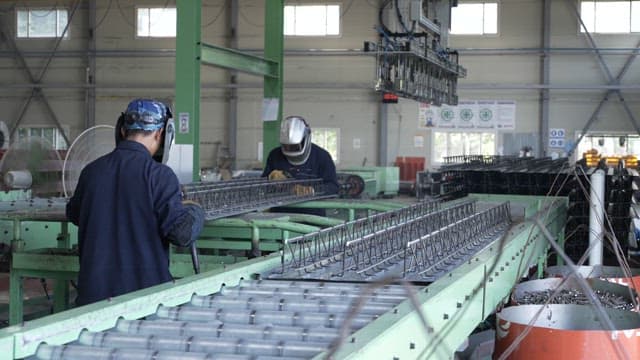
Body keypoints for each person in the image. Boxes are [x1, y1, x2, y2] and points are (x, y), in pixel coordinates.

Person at [66, 99, 205, 306]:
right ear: (161, 134)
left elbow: (74, 213)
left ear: (122, 131)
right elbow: (182, 234)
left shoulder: (91, 172)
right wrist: (195, 210)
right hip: (144, 302)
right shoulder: (159, 176)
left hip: (92, 300)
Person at [262, 115, 339, 216]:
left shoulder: (322, 157)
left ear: (306, 139)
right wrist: (270, 180)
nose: (290, 150)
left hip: (312, 217)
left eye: (294, 147)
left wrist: (312, 190)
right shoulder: (275, 155)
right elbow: (263, 187)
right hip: (281, 216)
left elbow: (333, 187)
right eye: (286, 146)